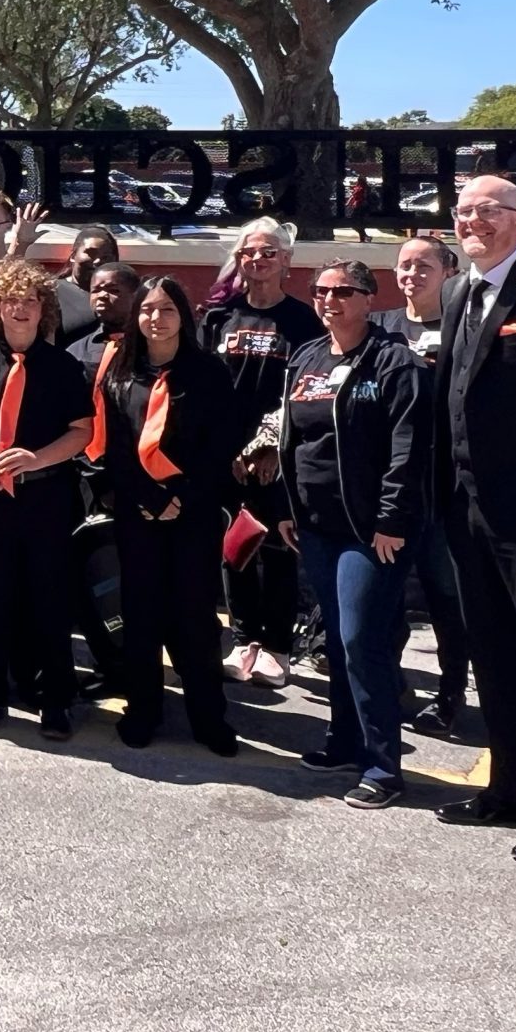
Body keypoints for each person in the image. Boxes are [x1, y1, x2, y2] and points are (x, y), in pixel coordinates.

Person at [276, 258, 431, 808]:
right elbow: (293, 439)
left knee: (363, 640)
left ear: (369, 298)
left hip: (369, 531)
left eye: (344, 291)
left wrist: (392, 519)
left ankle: (383, 767)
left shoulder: (394, 362)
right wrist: (287, 507)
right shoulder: (307, 357)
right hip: (315, 526)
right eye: (321, 291)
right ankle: (344, 740)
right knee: (339, 640)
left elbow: (408, 448)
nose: (330, 301)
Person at [431, 174, 516, 861]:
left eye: (488, 210)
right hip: (467, 509)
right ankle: (511, 788)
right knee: (495, 656)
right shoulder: (456, 292)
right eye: (463, 211)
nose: (472, 221)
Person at [0, 258, 95, 738]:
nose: (21, 309)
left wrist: (37, 459)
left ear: (42, 309)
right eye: (11, 300)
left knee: (48, 599)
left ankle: (56, 700)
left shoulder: (63, 367)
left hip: (46, 498)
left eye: (30, 301)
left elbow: (82, 432)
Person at [99, 275, 240, 756]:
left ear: (183, 316)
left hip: (193, 514)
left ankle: (208, 717)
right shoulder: (120, 373)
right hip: (137, 513)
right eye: (146, 310)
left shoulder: (209, 373)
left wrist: (182, 495)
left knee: (194, 616)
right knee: (141, 615)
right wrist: (147, 496)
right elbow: (115, 448)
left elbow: (220, 444)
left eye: (166, 310)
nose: (155, 319)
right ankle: (143, 711)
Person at [200, 217, 321, 688]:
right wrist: (227, 449)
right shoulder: (219, 317)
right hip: (226, 457)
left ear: (286, 260)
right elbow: (207, 391)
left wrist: (271, 446)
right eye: (249, 252)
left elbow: (306, 389)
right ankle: (243, 639)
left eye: (269, 252)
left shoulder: (304, 320)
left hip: (279, 458)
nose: (258, 259)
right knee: (234, 547)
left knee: (277, 549)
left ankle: (277, 647)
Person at [377, 234, 471, 736]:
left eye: (424, 266)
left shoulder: (464, 327)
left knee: (446, 598)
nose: (411, 274)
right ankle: (389, 687)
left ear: (449, 272)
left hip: (445, 491)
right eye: (404, 265)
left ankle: (451, 694)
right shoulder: (381, 327)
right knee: (384, 596)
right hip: (389, 488)